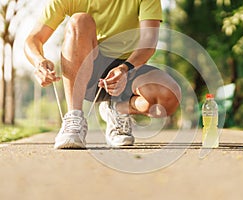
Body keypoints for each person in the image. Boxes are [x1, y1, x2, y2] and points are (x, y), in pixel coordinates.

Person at [24, 0, 181, 149]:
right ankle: (74, 118)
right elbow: (33, 39)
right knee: (80, 20)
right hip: (88, 73)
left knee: (168, 97)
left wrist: (124, 68)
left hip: (129, 69)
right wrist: (39, 61)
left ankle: (118, 109)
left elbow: (148, 42)